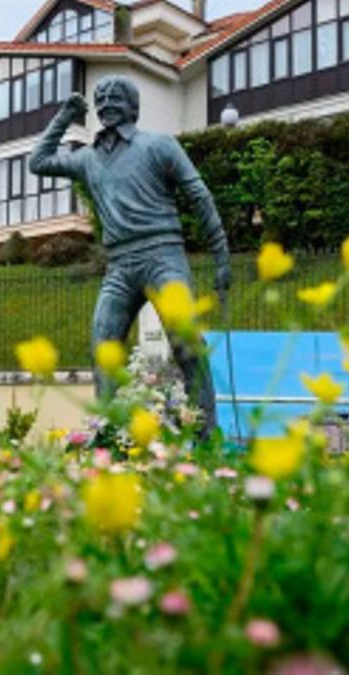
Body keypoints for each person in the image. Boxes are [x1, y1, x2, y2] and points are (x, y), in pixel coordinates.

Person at [28, 75, 231, 436]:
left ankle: (207, 436)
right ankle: (107, 437)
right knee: (102, 346)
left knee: (186, 345)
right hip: (119, 265)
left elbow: (199, 196)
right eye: (100, 98)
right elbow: (39, 161)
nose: (106, 103)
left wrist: (221, 256)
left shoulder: (159, 146)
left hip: (163, 255)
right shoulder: (87, 158)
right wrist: (65, 116)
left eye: (115, 96)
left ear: (133, 106)